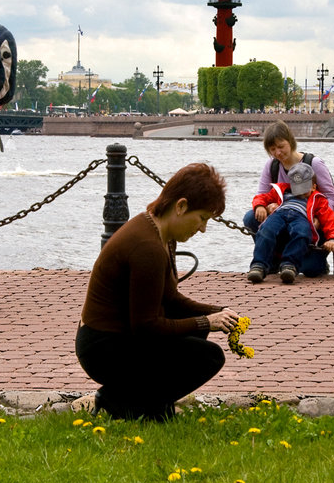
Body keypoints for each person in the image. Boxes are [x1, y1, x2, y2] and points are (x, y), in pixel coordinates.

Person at [76, 163, 242, 420]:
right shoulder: (148, 248)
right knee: (208, 357)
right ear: (181, 206)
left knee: (199, 335)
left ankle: (144, 403)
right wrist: (206, 321)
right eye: (202, 218)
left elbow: (170, 299)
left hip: (114, 339)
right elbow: (146, 327)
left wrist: (217, 314)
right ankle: (121, 403)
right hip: (103, 349)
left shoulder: (160, 233)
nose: (202, 228)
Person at [243, 120, 334, 277]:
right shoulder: (272, 166)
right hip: (281, 215)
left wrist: (317, 217)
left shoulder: (314, 163)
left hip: (310, 218)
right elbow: (263, 194)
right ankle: (269, 260)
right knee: (251, 217)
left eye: (281, 147)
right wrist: (265, 207)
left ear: (290, 142)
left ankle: (301, 259)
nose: (278, 153)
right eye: (273, 149)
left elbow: (331, 198)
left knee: (311, 269)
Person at [247, 162, 334, 284]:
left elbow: (328, 218)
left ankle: (289, 265)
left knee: (302, 233)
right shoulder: (280, 190)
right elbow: (262, 197)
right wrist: (259, 206)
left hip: (301, 217)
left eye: (304, 190)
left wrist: (332, 238)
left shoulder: (319, 199)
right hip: (279, 214)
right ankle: (259, 265)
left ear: (314, 187)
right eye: (297, 189)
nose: (300, 193)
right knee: (266, 231)